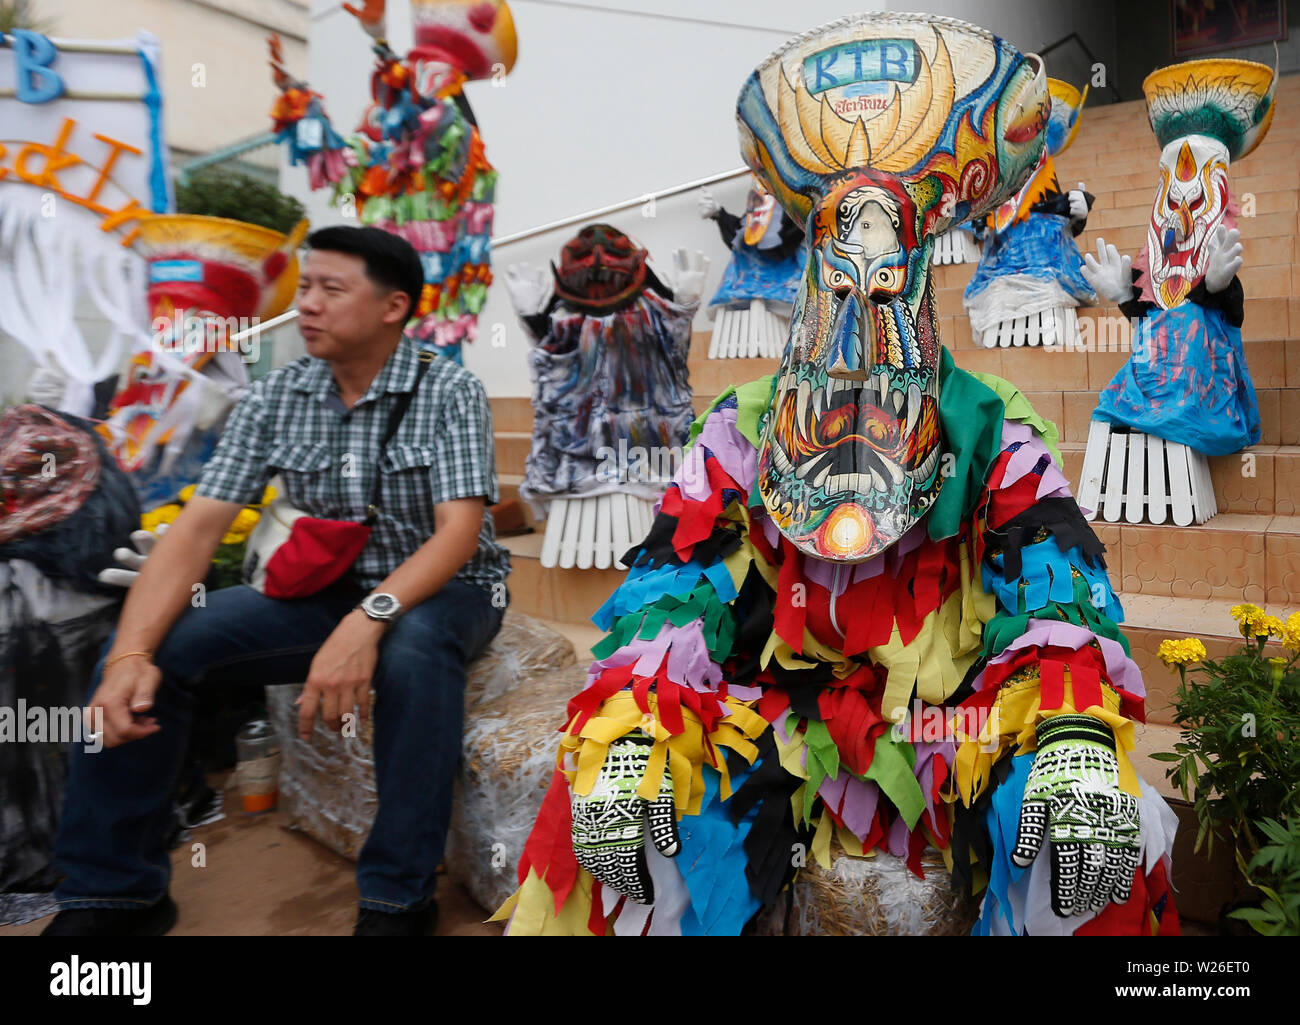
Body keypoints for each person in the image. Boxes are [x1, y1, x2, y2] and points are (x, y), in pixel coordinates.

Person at [41, 225, 511, 937]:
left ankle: (396, 897)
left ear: (393, 307)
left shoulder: (448, 388)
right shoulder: (276, 397)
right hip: (325, 586)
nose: (306, 304)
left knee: (414, 649)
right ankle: (113, 892)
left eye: (330, 288)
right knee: (159, 648)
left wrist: (368, 619)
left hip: (450, 589)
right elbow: (198, 529)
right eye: (305, 285)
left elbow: (457, 533)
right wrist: (131, 651)